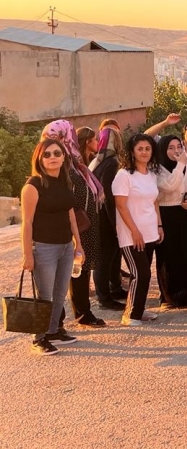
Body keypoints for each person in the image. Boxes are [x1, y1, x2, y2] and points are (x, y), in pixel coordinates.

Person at [20, 138, 83, 355]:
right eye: (47, 154)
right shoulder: (33, 186)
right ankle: (39, 338)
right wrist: (28, 254)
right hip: (44, 247)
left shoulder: (66, 181)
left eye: (57, 153)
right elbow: (26, 223)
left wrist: (78, 244)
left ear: (64, 156)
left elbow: (70, 214)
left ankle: (54, 330)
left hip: (65, 245)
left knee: (59, 294)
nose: (52, 158)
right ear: (39, 158)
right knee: (45, 295)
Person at [41, 120, 106, 328]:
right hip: (73, 225)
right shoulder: (58, 164)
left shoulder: (74, 162)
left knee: (81, 269)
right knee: (70, 272)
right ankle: (69, 318)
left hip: (85, 224)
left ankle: (81, 312)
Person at [112, 134, 163, 326]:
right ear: (132, 151)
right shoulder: (123, 175)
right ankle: (131, 314)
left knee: (145, 273)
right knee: (140, 273)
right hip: (132, 234)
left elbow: (155, 201)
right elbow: (121, 205)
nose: (144, 152)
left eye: (147, 149)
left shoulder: (151, 174)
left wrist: (159, 225)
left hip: (150, 231)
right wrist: (134, 231)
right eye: (140, 148)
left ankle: (139, 310)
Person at [154, 135, 187, 310]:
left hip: (184, 215)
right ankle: (169, 297)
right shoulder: (157, 169)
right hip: (166, 215)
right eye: (171, 147)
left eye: (178, 147)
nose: (176, 151)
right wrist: (181, 164)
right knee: (168, 257)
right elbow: (168, 186)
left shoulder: (185, 166)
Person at [90, 127, 128, 310]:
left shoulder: (98, 162)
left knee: (111, 257)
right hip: (106, 219)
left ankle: (115, 289)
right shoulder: (112, 163)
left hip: (99, 216)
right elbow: (109, 197)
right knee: (106, 258)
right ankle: (104, 297)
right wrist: (116, 224)